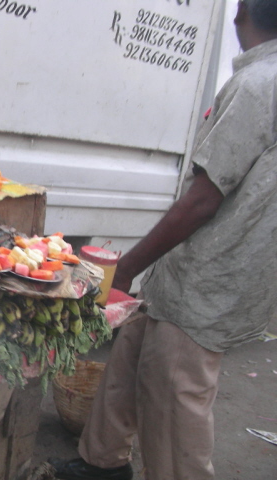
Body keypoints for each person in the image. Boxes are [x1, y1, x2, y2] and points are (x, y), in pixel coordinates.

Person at [48, 1, 277, 479]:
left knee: (176, 393)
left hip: (211, 276)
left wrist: (127, 266)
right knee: (130, 357)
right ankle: (102, 463)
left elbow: (202, 201)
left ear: (241, 14)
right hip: (194, 268)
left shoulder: (259, 85)